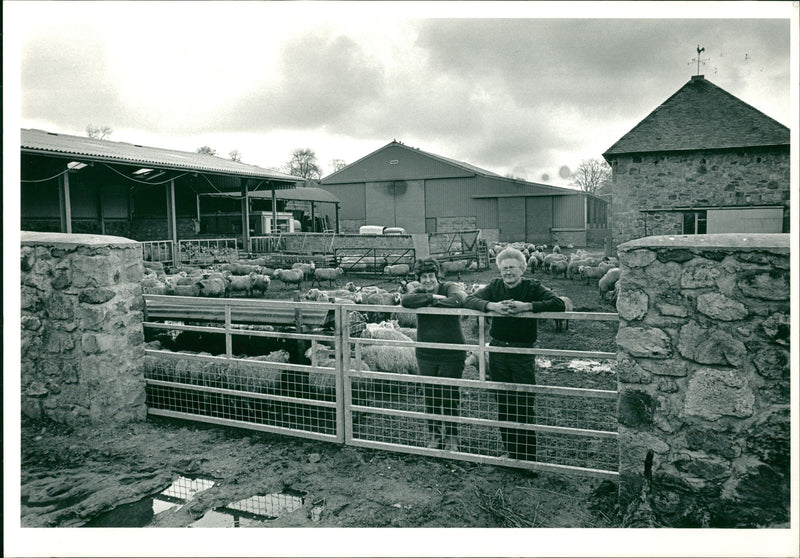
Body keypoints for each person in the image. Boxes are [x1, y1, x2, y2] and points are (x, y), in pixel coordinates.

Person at [463, 247, 565, 461]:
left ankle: (527, 457)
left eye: (512, 268)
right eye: (504, 268)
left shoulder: (532, 286)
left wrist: (525, 307)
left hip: (522, 351)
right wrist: (492, 306)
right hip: (498, 350)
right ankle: (511, 451)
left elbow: (559, 303)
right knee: (503, 401)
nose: (508, 272)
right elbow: (469, 300)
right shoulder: (495, 286)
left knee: (524, 401)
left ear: (522, 269)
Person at [401, 257, 468, 452]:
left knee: (449, 395)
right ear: (419, 279)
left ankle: (452, 437)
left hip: (452, 351)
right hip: (426, 353)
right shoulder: (420, 291)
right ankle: (435, 435)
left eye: (431, 276)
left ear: (437, 276)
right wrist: (432, 299)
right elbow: (406, 300)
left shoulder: (449, 287)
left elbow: (458, 299)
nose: (428, 281)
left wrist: (431, 303)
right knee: (431, 395)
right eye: (424, 277)